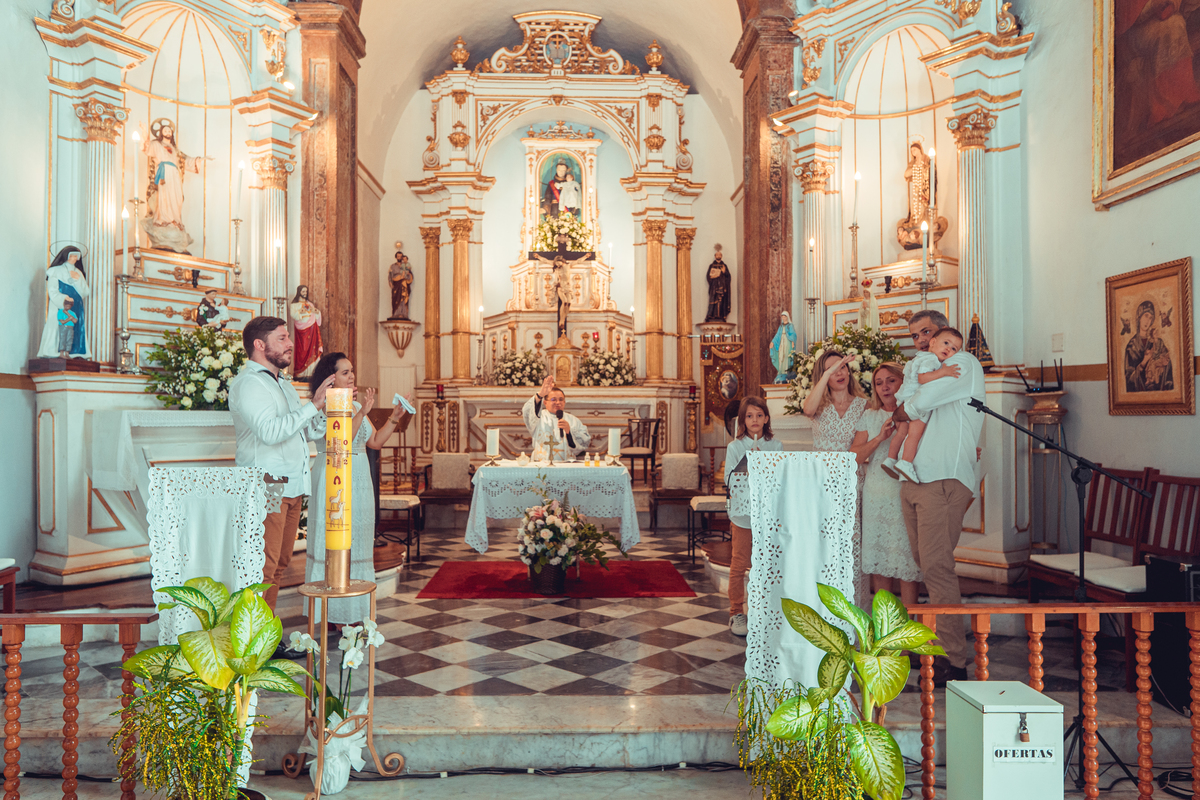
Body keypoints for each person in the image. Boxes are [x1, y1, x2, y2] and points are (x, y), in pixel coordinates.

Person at [893, 309, 985, 685]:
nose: (923, 341)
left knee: (937, 568)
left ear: (944, 332)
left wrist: (906, 405)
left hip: (943, 479)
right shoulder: (926, 364)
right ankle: (933, 644)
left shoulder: (963, 362)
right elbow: (906, 400)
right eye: (915, 336)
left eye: (928, 333)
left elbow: (915, 403)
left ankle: (953, 661)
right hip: (916, 478)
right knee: (924, 565)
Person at [228, 316, 335, 620]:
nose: (290, 344)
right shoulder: (250, 384)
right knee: (264, 565)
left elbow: (305, 431)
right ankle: (253, 636)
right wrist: (313, 406)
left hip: (292, 484)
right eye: (282, 338)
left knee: (280, 563)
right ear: (259, 345)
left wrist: (324, 408)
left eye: (288, 337)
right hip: (267, 485)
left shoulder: (282, 383)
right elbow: (270, 432)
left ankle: (266, 632)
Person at [304, 353, 409, 625]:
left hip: (360, 478)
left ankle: (353, 614)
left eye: (351, 371)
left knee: (358, 541)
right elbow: (342, 442)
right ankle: (331, 613)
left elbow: (374, 442)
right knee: (333, 542)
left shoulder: (356, 405)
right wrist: (361, 412)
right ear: (330, 378)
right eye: (345, 372)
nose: (352, 376)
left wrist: (394, 417)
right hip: (334, 476)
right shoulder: (324, 407)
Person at [850, 363, 922, 607]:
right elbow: (854, 456)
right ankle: (886, 626)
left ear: (903, 382)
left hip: (905, 491)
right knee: (879, 564)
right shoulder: (869, 416)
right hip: (876, 494)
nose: (885, 387)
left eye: (891, 380)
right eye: (879, 383)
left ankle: (910, 625)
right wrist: (880, 437)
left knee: (907, 564)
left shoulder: (916, 411)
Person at [803, 350, 870, 606]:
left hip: (852, 482)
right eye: (832, 369)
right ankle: (821, 610)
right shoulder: (818, 406)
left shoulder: (863, 405)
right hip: (820, 484)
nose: (839, 373)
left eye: (843, 367)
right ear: (824, 375)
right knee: (823, 545)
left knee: (851, 545)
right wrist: (828, 372)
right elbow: (807, 408)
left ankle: (853, 612)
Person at [724, 396, 783, 637]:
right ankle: (736, 611)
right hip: (743, 516)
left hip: (768, 515)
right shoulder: (735, 447)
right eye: (749, 416)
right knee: (739, 563)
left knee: (767, 563)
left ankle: (763, 609)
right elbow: (729, 479)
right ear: (743, 420)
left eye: (759, 415)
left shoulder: (776, 445)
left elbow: (780, 478)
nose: (754, 420)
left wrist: (765, 467)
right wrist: (748, 465)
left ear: (766, 418)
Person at [885, 327, 965, 482]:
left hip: (904, 399)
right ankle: (906, 463)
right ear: (933, 342)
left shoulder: (920, 357)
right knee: (915, 435)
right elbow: (923, 378)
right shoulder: (932, 359)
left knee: (902, 433)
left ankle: (890, 459)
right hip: (916, 402)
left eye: (954, 348)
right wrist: (943, 372)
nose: (948, 349)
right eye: (946, 343)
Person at [37, 245, 90, 359]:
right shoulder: (55, 271)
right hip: (61, 304)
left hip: (77, 305)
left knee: (76, 329)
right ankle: (56, 352)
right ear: (66, 256)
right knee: (59, 328)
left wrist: (77, 281)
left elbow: (85, 292)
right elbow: (52, 290)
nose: (74, 258)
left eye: (76, 256)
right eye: (71, 255)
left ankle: (75, 353)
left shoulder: (79, 273)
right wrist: (64, 299)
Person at [522, 374, 590, 461]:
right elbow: (527, 412)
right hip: (541, 464)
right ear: (545, 403)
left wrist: (569, 432)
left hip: (566, 464)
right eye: (553, 399)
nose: (558, 402)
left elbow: (583, 445)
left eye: (561, 399)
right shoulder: (538, 417)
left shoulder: (573, 420)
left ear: (564, 402)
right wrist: (540, 395)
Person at [1124, 300, 1174, 392]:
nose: (1148, 321)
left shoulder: (1158, 342)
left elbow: (1168, 368)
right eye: (1146, 316)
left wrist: (1164, 363)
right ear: (1139, 317)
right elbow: (1129, 380)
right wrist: (1144, 361)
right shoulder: (1131, 346)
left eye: (1151, 318)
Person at [290, 285, 323, 378]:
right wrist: (300, 312)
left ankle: (311, 372)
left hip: (312, 329)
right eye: (303, 291)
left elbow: (316, 315)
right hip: (301, 331)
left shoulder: (310, 304)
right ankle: (301, 373)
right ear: (299, 292)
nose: (305, 293)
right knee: (303, 350)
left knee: (312, 349)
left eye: (306, 291)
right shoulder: (294, 305)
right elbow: (293, 315)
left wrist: (317, 311)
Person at [704, 246, 731, 322]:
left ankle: (721, 316)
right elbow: (708, 276)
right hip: (714, 286)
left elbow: (728, 277)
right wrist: (713, 278)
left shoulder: (724, 266)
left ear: (721, 256)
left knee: (721, 301)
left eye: (720, 255)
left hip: (722, 286)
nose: (718, 256)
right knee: (713, 300)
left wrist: (724, 272)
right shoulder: (711, 266)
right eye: (717, 255)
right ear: (715, 256)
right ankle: (710, 315)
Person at [769, 311, 797, 383]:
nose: (784, 318)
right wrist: (772, 342)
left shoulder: (790, 325)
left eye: (785, 317)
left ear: (787, 317)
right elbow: (777, 335)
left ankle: (786, 371)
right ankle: (781, 371)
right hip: (781, 342)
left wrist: (792, 341)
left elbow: (793, 334)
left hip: (788, 342)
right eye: (782, 317)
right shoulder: (781, 327)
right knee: (781, 356)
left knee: (787, 356)